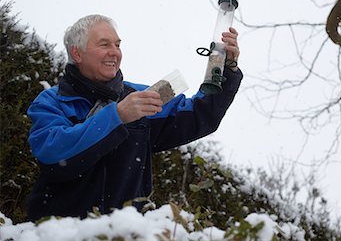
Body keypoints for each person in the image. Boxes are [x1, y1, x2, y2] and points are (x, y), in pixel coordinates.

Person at [26, 14, 242, 221]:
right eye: (104, 44)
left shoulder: (141, 96)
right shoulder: (50, 101)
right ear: (77, 53)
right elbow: (52, 153)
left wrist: (224, 67)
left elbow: (200, 114)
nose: (115, 52)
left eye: (117, 45)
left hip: (123, 233)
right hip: (60, 232)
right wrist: (117, 116)